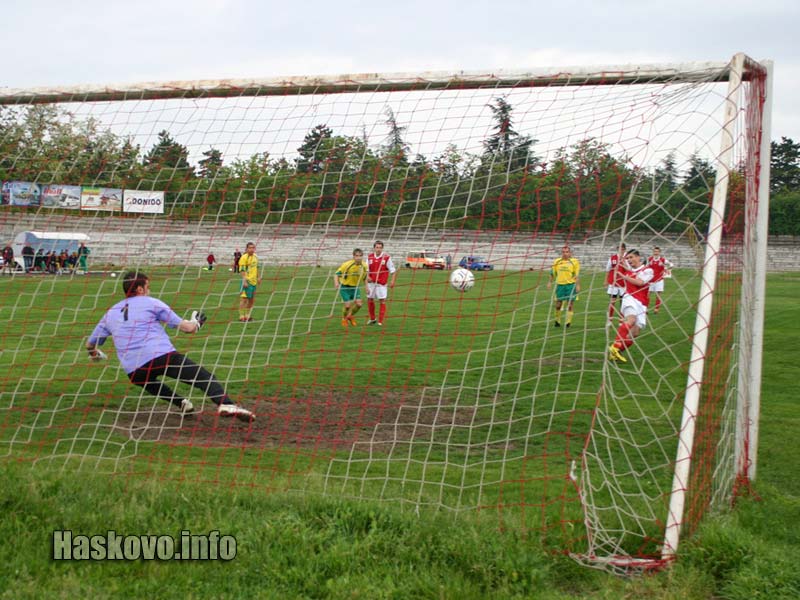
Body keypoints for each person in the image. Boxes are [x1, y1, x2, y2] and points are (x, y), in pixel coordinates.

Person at [85, 270, 254, 422]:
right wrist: (198, 322)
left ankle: (182, 404)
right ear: (139, 289)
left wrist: (95, 354)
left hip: (133, 369)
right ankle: (225, 404)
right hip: (160, 355)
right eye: (148, 287)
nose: (149, 291)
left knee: (149, 383)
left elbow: (89, 345)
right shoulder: (151, 302)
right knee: (203, 376)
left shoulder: (110, 312)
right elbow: (188, 329)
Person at [608, 249, 655, 363]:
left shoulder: (648, 270)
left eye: (631, 257)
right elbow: (633, 276)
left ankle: (615, 352)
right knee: (631, 319)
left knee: (634, 333)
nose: (629, 260)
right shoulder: (629, 272)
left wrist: (624, 275)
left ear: (639, 257)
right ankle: (615, 346)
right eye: (628, 258)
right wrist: (624, 273)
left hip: (642, 303)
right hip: (630, 299)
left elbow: (640, 282)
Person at [547, 245, 580, 328]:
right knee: (558, 305)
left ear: (570, 253)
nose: (565, 254)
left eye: (567, 252)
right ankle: (557, 321)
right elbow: (552, 273)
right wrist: (550, 282)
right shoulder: (557, 261)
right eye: (563, 252)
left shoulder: (574, 262)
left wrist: (578, 285)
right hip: (560, 286)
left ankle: (568, 323)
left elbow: (576, 275)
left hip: (571, 286)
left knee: (570, 305)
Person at [334, 248, 368, 328]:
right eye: (357, 256)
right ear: (353, 256)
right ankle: (344, 318)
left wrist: (367, 287)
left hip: (355, 288)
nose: (358, 257)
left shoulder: (364, 266)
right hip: (345, 287)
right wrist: (336, 283)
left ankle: (350, 316)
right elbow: (336, 274)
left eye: (360, 256)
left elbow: (365, 277)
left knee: (359, 304)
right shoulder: (347, 265)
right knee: (347, 306)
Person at [366, 240, 397, 327]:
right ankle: (372, 319)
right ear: (374, 248)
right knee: (369, 299)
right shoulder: (369, 257)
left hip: (381, 284)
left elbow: (393, 271)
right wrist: (367, 277)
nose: (378, 249)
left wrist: (392, 281)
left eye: (380, 247)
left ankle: (380, 321)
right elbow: (366, 270)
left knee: (382, 301)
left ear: (382, 248)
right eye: (377, 247)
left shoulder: (386, 258)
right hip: (371, 283)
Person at [237, 242, 261, 322]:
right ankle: (241, 316)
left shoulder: (255, 257)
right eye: (250, 248)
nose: (251, 249)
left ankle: (247, 316)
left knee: (252, 299)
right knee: (244, 299)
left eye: (253, 248)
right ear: (247, 249)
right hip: (247, 281)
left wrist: (258, 277)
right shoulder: (244, 258)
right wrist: (244, 281)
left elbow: (257, 268)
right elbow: (242, 270)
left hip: (254, 282)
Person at [646, 247, 674, 314]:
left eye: (657, 251)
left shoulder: (662, 260)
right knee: (647, 295)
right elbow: (646, 267)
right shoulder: (649, 259)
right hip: (651, 280)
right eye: (655, 251)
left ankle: (656, 309)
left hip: (659, 280)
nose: (656, 253)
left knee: (658, 295)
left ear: (659, 252)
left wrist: (666, 269)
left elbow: (672, 264)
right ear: (653, 252)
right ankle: (646, 308)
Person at [605, 243, 627, 327]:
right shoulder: (613, 258)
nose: (620, 251)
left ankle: (621, 320)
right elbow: (608, 269)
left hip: (623, 284)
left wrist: (624, 262)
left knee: (622, 302)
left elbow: (630, 269)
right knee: (612, 302)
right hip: (613, 283)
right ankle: (609, 320)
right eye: (619, 249)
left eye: (622, 249)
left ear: (624, 250)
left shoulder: (627, 258)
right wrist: (606, 281)